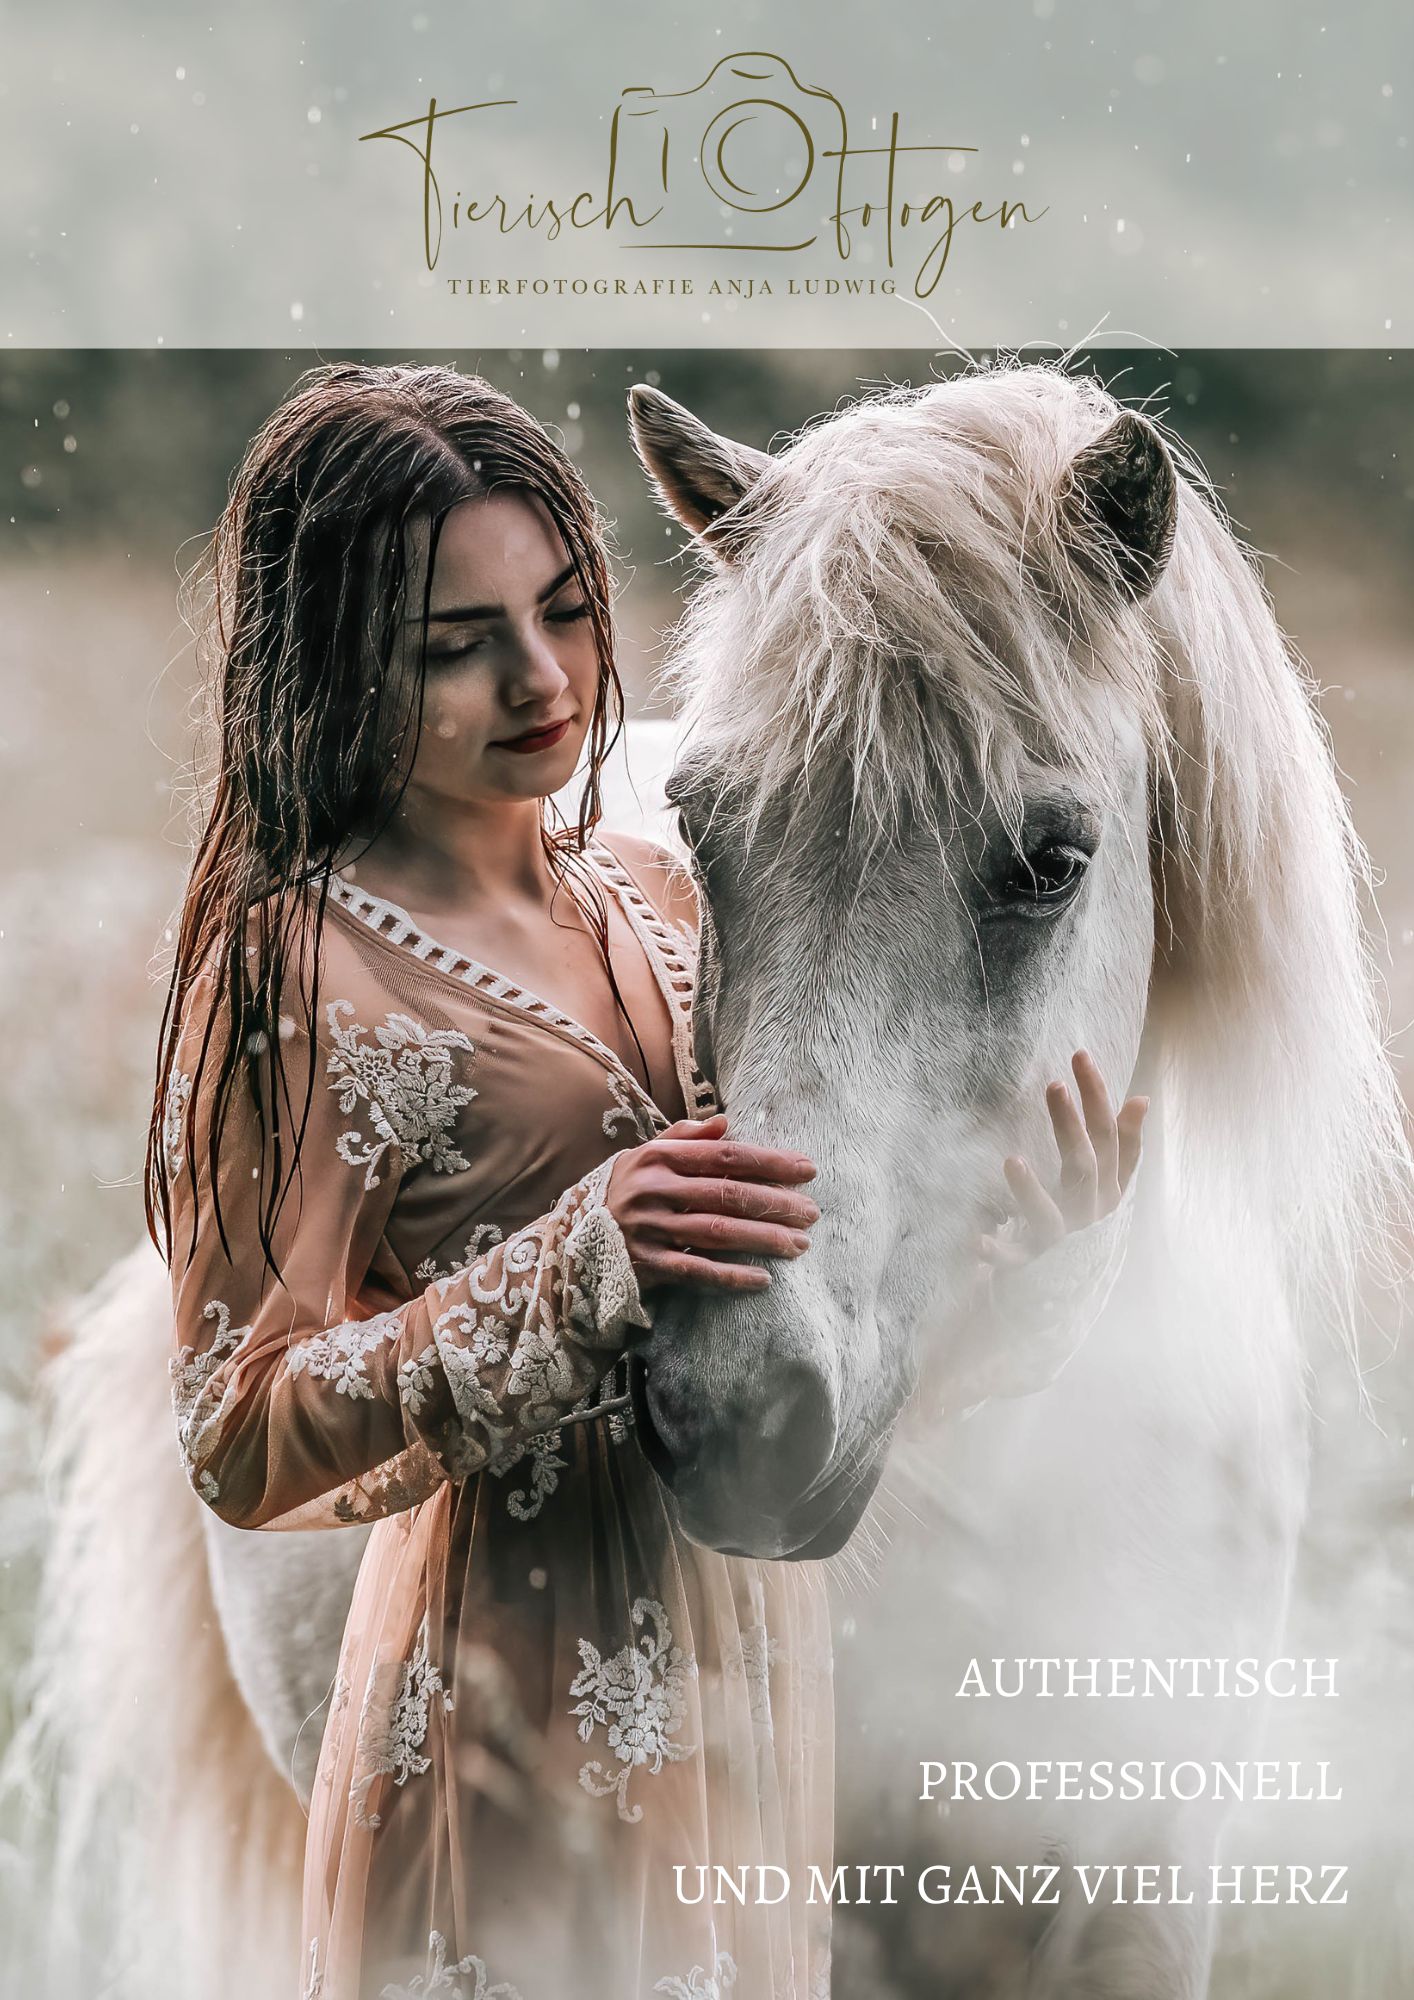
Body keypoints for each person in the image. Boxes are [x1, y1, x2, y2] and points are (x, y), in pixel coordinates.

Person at [149, 362, 1145, 2000]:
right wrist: (575, 1265)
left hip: (745, 1704)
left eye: (559, 605)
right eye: (451, 642)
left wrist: (1005, 1255)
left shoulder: (672, 897)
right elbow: (240, 1435)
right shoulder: (297, 970)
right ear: (340, 669)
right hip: (494, 1705)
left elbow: (800, 1393)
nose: (538, 679)